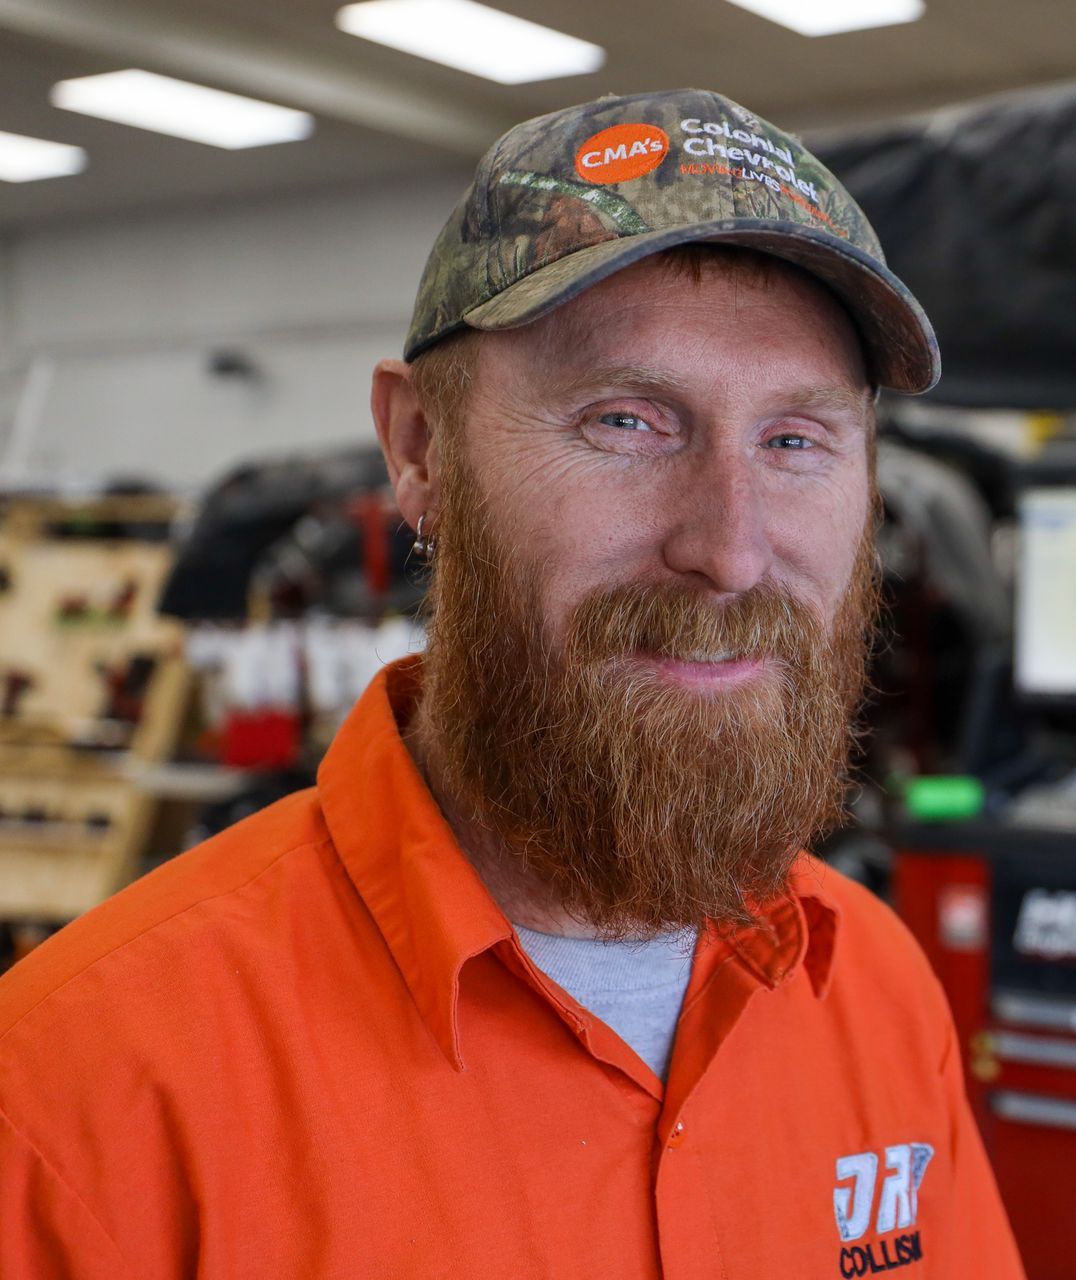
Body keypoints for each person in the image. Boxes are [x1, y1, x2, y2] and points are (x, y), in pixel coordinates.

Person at [0, 90, 1024, 1278]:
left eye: (796, 440)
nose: (731, 549)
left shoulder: (879, 991)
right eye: (628, 420)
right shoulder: (85, 1085)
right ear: (420, 448)